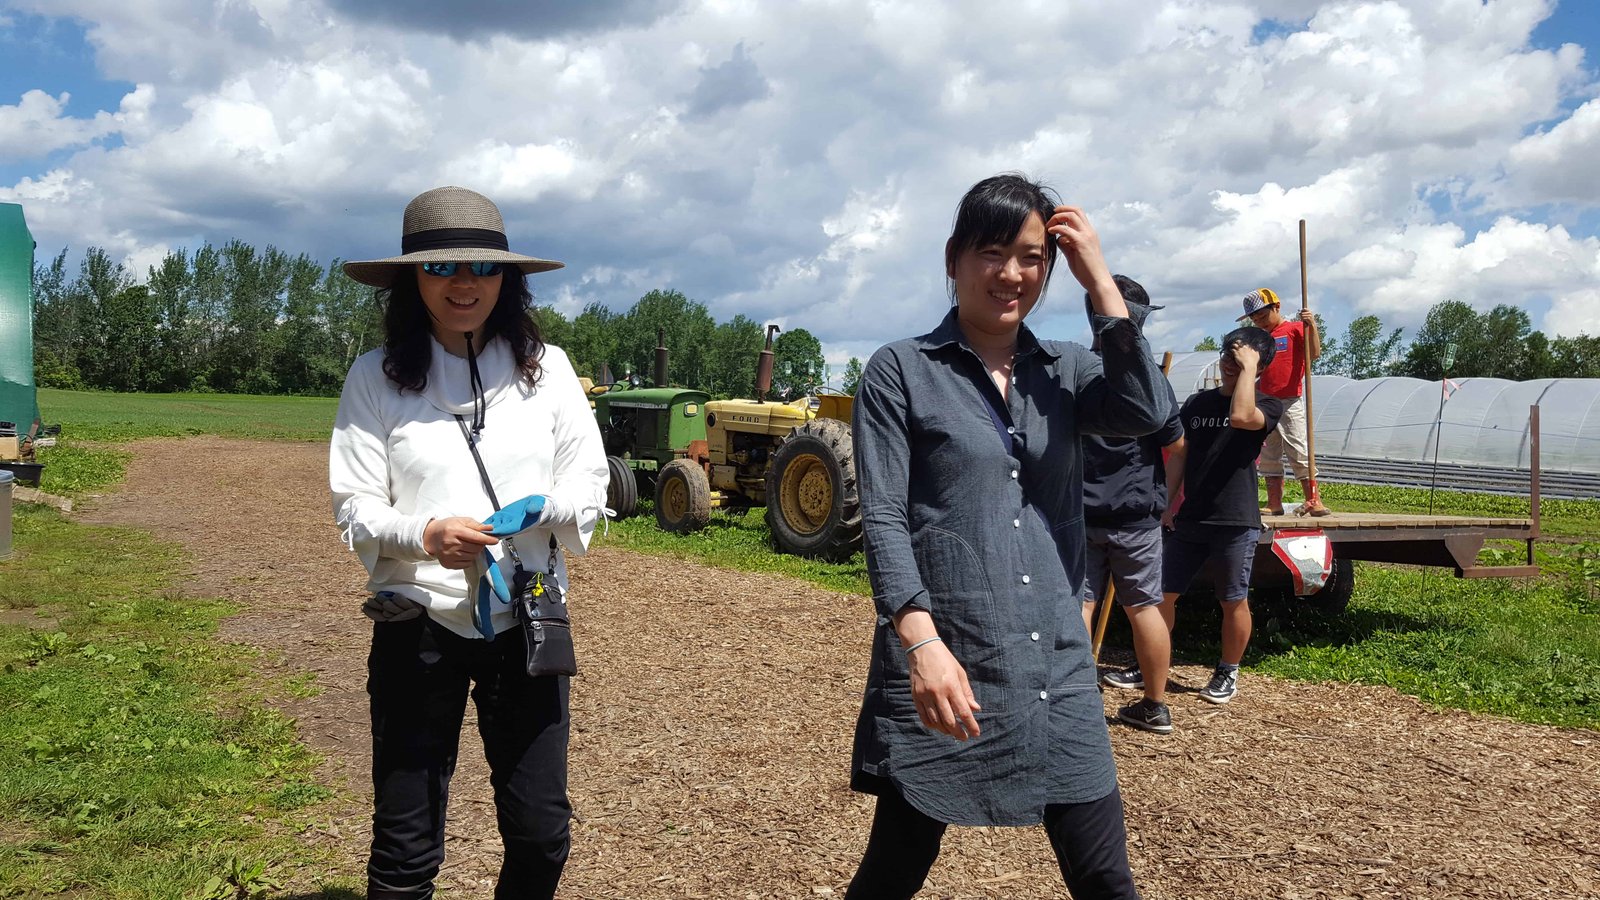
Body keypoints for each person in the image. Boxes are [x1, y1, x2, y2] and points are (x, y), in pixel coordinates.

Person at [846, 174, 1171, 899]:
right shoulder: (902, 370)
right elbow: (888, 519)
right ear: (953, 259)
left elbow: (1146, 411)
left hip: (1055, 659)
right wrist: (921, 646)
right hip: (951, 653)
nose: (1012, 274)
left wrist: (1101, 284)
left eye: (1032, 258)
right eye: (992, 253)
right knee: (894, 870)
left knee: (1105, 877)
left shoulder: (1069, 370)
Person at [329, 186, 608, 900]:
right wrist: (423, 535)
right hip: (418, 624)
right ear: (410, 280)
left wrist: (546, 507)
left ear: (507, 279)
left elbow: (590, 486)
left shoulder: (549, 371)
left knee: (542, 834)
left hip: (526, 617)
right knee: (406, 846)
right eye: (441, 267)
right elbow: (355, 506)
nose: (464, 284)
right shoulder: (375, 377)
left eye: (483, 267)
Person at [1078, 276, 1185, 735]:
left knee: (1080, 603)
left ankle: (1076, 697)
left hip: (1081, 510)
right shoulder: (1151, 382)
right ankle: (1154, 705)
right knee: (1144, 607)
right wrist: (1166, 502)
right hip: (1137, 514)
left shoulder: (1074, 371)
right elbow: (1176, 446)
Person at [1158, 327, 1282, 705]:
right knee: (1162, 594)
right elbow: (1179, 455)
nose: (1229, 363)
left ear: (1259, 366)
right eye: (1228, 355)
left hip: (1235, 520)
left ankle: (1228, 670)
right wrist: (1166, 504)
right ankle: (1153, 662)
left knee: (1232, 599)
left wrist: (1249, 368)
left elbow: (1241, 416)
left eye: (1239, 359)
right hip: (1192, 517)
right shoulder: (1198, 403)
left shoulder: (1268, 404)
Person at [1238, 288, 1328, 515]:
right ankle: (1274, 503)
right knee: (1269, 453)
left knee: (1298, 449)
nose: (1260, 322)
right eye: (1255, 319)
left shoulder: (1294, 329)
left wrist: (1311, 325)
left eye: (1262, 316)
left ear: (1276, 308)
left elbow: (1314, 353)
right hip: (1265, 402)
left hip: (1290, 400)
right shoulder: (1260, 339)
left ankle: (1314, 500)